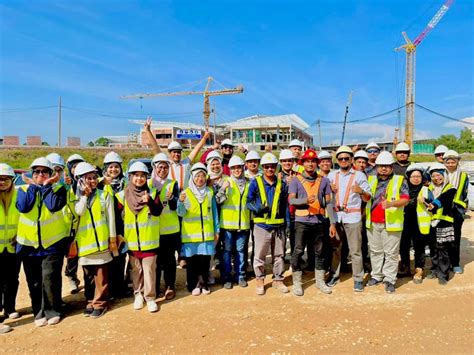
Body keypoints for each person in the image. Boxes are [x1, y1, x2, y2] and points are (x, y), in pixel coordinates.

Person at [16, 157, 68, 326]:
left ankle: (53, 309)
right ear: (32, 173)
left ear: (50, 173)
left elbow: (53, 205)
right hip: (29, 245)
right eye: (36, 171)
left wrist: (46, 186)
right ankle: (39, 311)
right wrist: (33, 186)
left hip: (52, 243)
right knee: (34, 281)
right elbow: (24, 206)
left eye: (44, 171)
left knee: (50, 278)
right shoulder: (23, 189)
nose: (40, 174)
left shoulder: (59, 189)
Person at [116, 162, 163, 312]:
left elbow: (157, 212)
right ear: (130, 177)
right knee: (136, 271)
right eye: (136, 175)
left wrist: (149, 201)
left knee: (149, 271)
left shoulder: (153, 193)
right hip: (132, 243)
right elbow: (117, 219)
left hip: (149, 241)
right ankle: (138, 295)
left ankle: (150, 298)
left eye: (143, 176)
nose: (139, 179)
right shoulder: (122, 196)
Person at [73, 162, 116, 318]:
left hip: (102, 244)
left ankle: (100, 303)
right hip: (85, 245)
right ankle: (90, 301)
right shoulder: (75, 197)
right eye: (88, 178)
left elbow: (111, 219)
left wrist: (112, 240)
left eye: (94, 178)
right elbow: (79, 211)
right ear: (80, 180)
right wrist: (84, 196)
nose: (92, 181)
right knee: (89, 277)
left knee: (101, 277)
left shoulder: (104, 195)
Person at [327, 146, 371, 292]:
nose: (344, 161)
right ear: (337, 160)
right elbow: (326, 199)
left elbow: (368, 197)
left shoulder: (359, 176)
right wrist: (329, 191)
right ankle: (334, 275)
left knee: (355, 250)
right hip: (336, 217)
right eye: (341, 159)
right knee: (336, 248)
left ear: (351, 160)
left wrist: (361, 191)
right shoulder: (332, 176)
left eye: (347, 158)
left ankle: (358, 278)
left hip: (353, 218)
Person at [289, 149, 333, 296]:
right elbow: (291, 200)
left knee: (320, 252)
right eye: (307, 161)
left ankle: (320, 281)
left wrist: (332, 223)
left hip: (319, 221)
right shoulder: (296, 180)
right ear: (303, 163)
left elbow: (329, 203)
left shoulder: (324, 181)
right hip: (301, 221)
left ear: (317, 164)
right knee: (298, 250)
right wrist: (304, 201)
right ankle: (297, 282)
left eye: (313, 161)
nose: (310, 164)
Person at [365, 152, 409, 294]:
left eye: (387, 166)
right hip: (372, 223)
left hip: (392, 223)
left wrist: (391, 204)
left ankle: (389, 279)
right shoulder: (370, 179)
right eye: (381, 166)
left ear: (392, 167)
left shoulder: (400, 180)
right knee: (375, 251)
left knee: (391, 253)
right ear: (376, 167)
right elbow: (365, 197)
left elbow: (406, 199)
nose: (384, 168)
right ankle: (376, 276)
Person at [246, 153, 289, 295]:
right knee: (259, 255)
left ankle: (278, 279)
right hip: (261, 226)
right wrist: (257, 208)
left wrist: (286, 224)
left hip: (278, 226)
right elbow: (248, 202)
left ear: (276, 167)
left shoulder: (282, 184)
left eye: (272, 167)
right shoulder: (255, 183)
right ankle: (260, 280)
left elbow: (285, 206)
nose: (270, 169)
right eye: (267, 167)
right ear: (262, 168)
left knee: (279, 254)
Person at [177, 163, 219, 296]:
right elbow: (181, 213)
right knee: (192, 262)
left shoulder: (209, 192)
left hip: (206, 235)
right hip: (190, 236)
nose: (200, 179)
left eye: (202, 176)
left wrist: (216, 230)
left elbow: (214, 213)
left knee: (205, 262)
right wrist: (180, 201)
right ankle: (193, 284)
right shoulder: (186, 193)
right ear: (192, 178)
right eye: (197, 176)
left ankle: (204, 283)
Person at [143, 117, 210, 191]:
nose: (177, 154)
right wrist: (148, 130)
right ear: (169, 152)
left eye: (178, 152)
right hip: (169, 197)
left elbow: (196, 150)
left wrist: (204, 138)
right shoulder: (166, 164)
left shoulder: (185, 163)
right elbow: (155, 147)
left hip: (183, 197)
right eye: (174, 152)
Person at [99, 151, 129, 299]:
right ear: (105, 168)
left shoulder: (126, 183)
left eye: (116, 167)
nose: (113, 170)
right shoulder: (100, 183)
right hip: (106, 226)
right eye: (110, 167)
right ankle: (108, 289)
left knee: (120, 258)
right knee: (108, 259)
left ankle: (119, 288)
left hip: (123, 226)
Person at [149, 153, 180, 300]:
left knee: (169, 260)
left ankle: (169, 286)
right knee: (155, 261)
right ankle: (154, 288)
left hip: (170, 230)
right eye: (159, 167)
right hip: (152, 229)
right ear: (154, 168)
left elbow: (176, 207)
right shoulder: (148, 184)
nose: (162, 170)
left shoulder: (173, 184)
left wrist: (172, 198)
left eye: (165, 167)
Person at [218, 156, 250, 289]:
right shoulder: (226, 182)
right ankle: (226, 277)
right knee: (226, 252)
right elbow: (218, 201)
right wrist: (222, 190)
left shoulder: (249, 183)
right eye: (234, 168)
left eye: (239, 167)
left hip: (243, 224)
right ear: (230, 169)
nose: (237, 170)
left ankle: (240, 276)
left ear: (243, 168)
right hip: (227, 225)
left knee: (241, 251)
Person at [399, 164, 432, 284]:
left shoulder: (427, 189)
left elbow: (433, 204)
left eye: (418, 176)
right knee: (404, 245)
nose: (416, 178)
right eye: (413, 176)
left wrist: (426, 201)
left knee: (419, 246)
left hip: (419, 223)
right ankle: (405, 266)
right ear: (408, 177)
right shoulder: (403, 188)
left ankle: (419, 269)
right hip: (405, 221)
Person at [425, 163, 457, 285]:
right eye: (433, 176)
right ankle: (434, 269)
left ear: (444, 175)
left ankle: (443, 274)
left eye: (439, 175)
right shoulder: (429, 189)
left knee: (443, 249)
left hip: (444, 223)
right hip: (431, 223)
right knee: (433, 248)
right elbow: (427, 203)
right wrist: (424, 201)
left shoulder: (450, 188)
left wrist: (434, 204)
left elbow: (445, 198)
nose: (436, 178)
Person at [0, 164, 21, 326]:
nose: (2, 182)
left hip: (14, 246)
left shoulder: (18, 195)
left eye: (5, 179)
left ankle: (9, 307)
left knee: (12, 279)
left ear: (12, 180)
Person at [443, 150, 469, 274]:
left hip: (457, 210)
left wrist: (463, 209)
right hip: (442, 210)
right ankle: (444, 263)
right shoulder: (440, 174)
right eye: (448, 162)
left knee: (455, 238)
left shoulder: (464, 176)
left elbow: (465, 193)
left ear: (457, 162)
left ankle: (455, 263)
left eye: (453, 162)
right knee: (443, 237)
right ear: (444, 163)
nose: (450, 164)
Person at [64, 153, 85, 294]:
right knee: (72, 255)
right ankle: (72, 277)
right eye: (74, 166)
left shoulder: (87, 182)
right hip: (70, 226)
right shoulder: (65, 185)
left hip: (85, 225)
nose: (76, 169)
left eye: (79, 166)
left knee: (86, 255)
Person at [278, 149, 297, 258]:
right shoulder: (277, 177)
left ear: (293, 161)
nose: (287, 163)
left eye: (289, 161)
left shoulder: (298, 176)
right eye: (284, 161)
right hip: (281, 211)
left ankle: (295, 260)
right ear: (281, 162)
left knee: (295, 238)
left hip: (295, 211)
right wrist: (281, 183)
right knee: (282, 238)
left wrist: (293, 183)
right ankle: (281, 258)